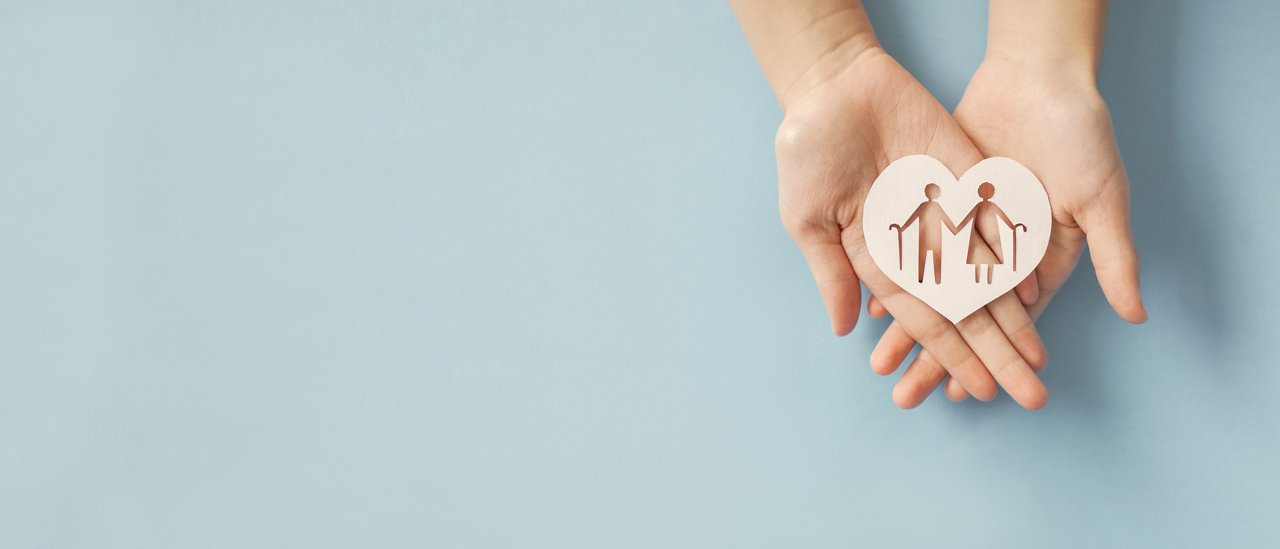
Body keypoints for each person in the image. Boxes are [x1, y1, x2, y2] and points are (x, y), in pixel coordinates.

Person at [956, 182, 1022, 284]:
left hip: (990, 238)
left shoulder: (992, 205)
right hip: (976, 239)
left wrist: (1013, 226)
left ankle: (984, 282)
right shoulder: (977, 205)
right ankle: (980, 282)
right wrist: (957, 228)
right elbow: (967, 218)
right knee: (980, 265)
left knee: (989, 267)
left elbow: (1004, 219)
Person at [893, 183, 959, 284]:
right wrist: (902, 228)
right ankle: (925, 280)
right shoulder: (927, 206)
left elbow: (946, 220)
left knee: (933, 259)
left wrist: (955, 230)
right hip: (927, 238)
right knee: (926, 259)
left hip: (933, 238)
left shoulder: (932, 207)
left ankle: (935, 280)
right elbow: (912, 218)